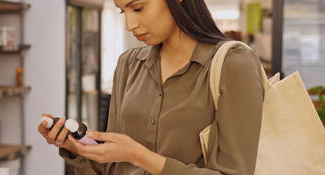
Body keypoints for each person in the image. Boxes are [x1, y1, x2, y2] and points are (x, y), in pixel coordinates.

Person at [37, 0, 264, 174]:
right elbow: (113, 168)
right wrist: (82, 149)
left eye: (138, 8)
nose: (129, 25)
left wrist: (140, 156)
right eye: (122, 11)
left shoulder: (233, 64)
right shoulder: (128, 64)